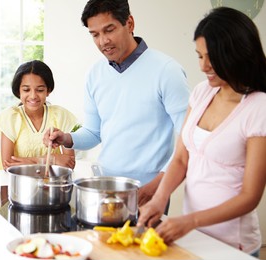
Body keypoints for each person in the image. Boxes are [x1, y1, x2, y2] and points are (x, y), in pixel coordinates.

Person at [137, 7, 266, 257]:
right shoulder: (201, 92)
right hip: (193, 238)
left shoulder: (259, 107)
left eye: (212, 57)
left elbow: (251, 196)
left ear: (236, 54)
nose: (204, 66)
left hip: (233, 244)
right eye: (199, 56)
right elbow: (181, 159)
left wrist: (190, 221)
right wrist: (159, 199)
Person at [43, 0, 189, 208]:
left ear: (129, 23)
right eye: (95, 35)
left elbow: (189, 139)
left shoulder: (167, 71)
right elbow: (94, 132)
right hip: (105, 189)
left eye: (108, 30)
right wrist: (66, 138)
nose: (103, 41)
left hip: (148, 192)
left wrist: (158, 186)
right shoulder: (95, 74)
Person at [0, 60, 78, 170]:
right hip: (10, 182)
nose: (33, 96)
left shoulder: (60, 115)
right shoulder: (11, 117)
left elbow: (70, 163)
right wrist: (52, 159)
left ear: (48, 90)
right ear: (19, 91)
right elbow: (8, 165)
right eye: (26, 90)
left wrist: (31, 161)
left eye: (40, 90)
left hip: (47, 182)